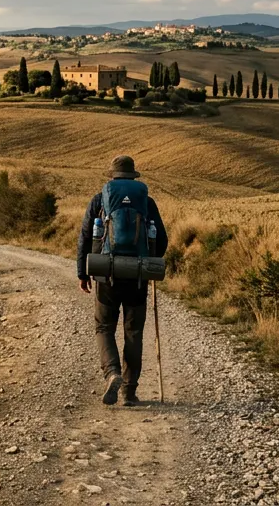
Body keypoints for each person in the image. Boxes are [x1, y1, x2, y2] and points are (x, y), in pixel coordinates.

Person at [77, 155, 168, 407]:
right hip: (137, 275)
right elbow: (162, 240)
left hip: (107, 272)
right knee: (134, 332)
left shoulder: (100, 199)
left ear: (113, 177)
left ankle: (112, 372)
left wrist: (82, 273)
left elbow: (85, 237)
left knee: (104, 327)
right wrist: (149, 263)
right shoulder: (146, 201)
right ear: (133, 176)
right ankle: (129, 391)